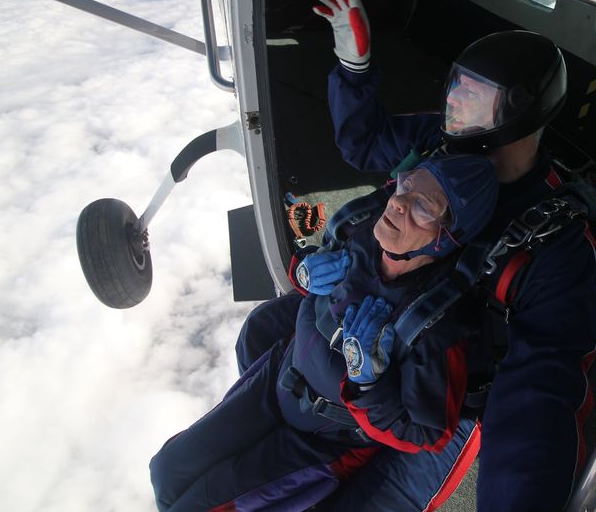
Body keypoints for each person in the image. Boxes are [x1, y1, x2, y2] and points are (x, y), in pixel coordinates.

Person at [237, 0, 596, 512]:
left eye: (475, 95)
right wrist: (353, 70)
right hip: (376, 311)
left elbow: (538, 400)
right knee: (261, 333)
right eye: (456, 86)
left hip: (442, 395)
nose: (455, 101)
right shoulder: (441, 144)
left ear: (520, 113)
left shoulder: (560, 244)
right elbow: (365, 142)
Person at [149, 153, 499, 512]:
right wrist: (305, 274)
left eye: (423, 206)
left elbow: (426, 433)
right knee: (167, 471)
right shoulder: (361, 232)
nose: (398, 203)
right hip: (277, 381)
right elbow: (316, 274)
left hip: (325, 441)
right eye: (407, 185)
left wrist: (369, 385)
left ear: (447, 237)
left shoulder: (434, 324)